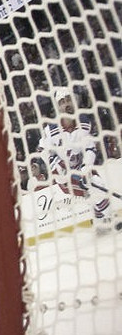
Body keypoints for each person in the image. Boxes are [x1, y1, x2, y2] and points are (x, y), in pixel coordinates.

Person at [40, 88, 119, 234]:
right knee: (95, 185)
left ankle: (100, 222)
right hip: (63, 176)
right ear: (58, 107)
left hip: (81, 168)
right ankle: (112, 220)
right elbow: (42, 151)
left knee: (95, 185)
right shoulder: (50, 130)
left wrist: (86, 166)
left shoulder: (84, 122)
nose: (67, 104)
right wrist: (57, 165)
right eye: (62, 102)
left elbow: (90, 148)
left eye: (69, 100)